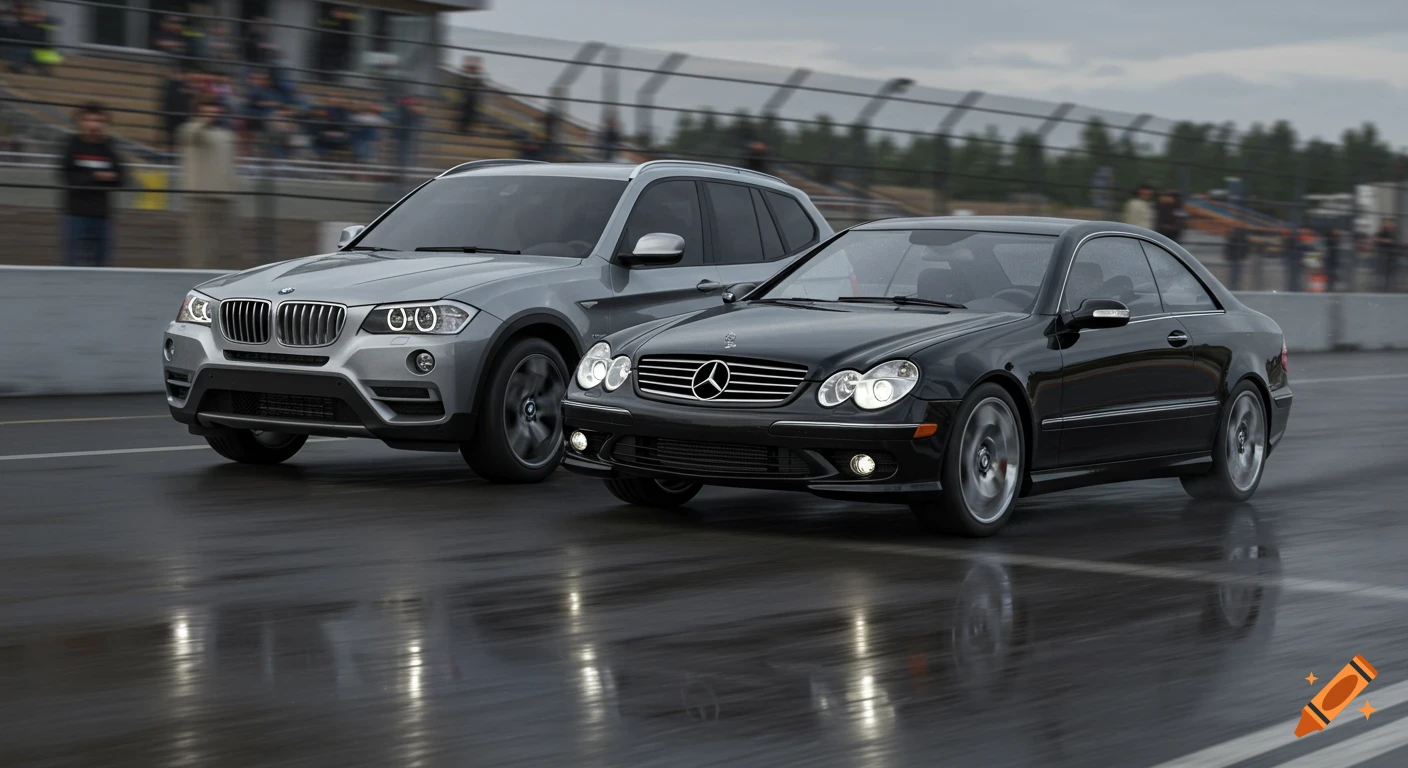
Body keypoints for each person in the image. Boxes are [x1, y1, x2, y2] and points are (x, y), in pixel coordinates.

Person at [59, 104, 124, 267]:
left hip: (102, 214)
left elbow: (121, 178)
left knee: (101, 265)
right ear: (80, 121)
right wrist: (96, 176)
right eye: (89, 120)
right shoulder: (71, 144)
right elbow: (67, 177)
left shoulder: (109, 146)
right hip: (76, 213)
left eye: (98, 120)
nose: (94, 124)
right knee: (72, 264)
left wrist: (96, 177)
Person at [178, 99, 240, 269]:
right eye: (207, 108)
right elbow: (191, 135)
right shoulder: (191, 129)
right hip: (200, 198)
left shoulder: (226, 135)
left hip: (226, 198)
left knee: (227, 247)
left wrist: (233, 190)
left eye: (215, 108)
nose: (213, 112)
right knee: (200, 248)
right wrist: (202, 120)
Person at [160, 69, 190, 152]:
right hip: (173, 115)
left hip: (179, 115)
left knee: (178, 138)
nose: (180, 76)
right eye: (178, 74)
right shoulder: (172, 84)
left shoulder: (182, 85)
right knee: (172, 138)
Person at [457, 56, 484, 134]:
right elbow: (461, 84)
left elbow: (479, 85)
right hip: (466, 97)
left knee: (471, 112)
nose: (473, 69)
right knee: (466, 112)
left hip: (472, 98)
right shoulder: (464, 75)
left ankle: (466, 128)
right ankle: (462, 128)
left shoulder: (477, 76)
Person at [1377, 219, 1400, 292]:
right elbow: (1376, 239)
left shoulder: (1393, 234)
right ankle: (1384, 290)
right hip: (1384, 258)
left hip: (1392, 258)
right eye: (1388, 224)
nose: (1389, 226)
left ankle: (1390, 290)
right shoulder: (1382, 233)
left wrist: (1386, 241)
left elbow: (1392, 241)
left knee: (1391, 277)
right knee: (1384, 277)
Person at [1224, 225, 1249, 290]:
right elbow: (1228, 249)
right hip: (1234, 259)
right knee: (1233, 275)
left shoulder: (1240, 239)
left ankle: (1235, 287)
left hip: (1237, 259)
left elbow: (1245, 249)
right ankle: (1233, 287)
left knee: (1236, 274)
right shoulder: (1233, 239)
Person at [1324, 228, 1342, 292]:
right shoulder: (1329, 241)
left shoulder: (1336, 241)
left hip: (1334, 262)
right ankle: (1329, 288)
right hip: (1330, 261)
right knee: (1330, 276)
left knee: (1333, 276)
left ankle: (1332, 288)